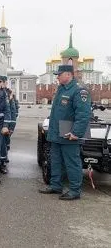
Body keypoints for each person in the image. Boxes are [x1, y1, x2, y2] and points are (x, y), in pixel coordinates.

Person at [39, 65, 91, 200]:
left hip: (69, 133)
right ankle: (56, 185)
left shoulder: (79, 91)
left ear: (68, 74)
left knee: (72, 162)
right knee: (56, 161)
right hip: (57, 133)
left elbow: (84, 115)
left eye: (59, 74)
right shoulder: (61, 89)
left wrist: (76, 133)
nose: (57, 76)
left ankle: (75, 190)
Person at [0, 75, 17, 173]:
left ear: (5, 83)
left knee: (4, 144)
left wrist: (11, 126)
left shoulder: (9, 94)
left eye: (0, 82)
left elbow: (13, 111)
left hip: (6, 124)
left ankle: (3, 163)